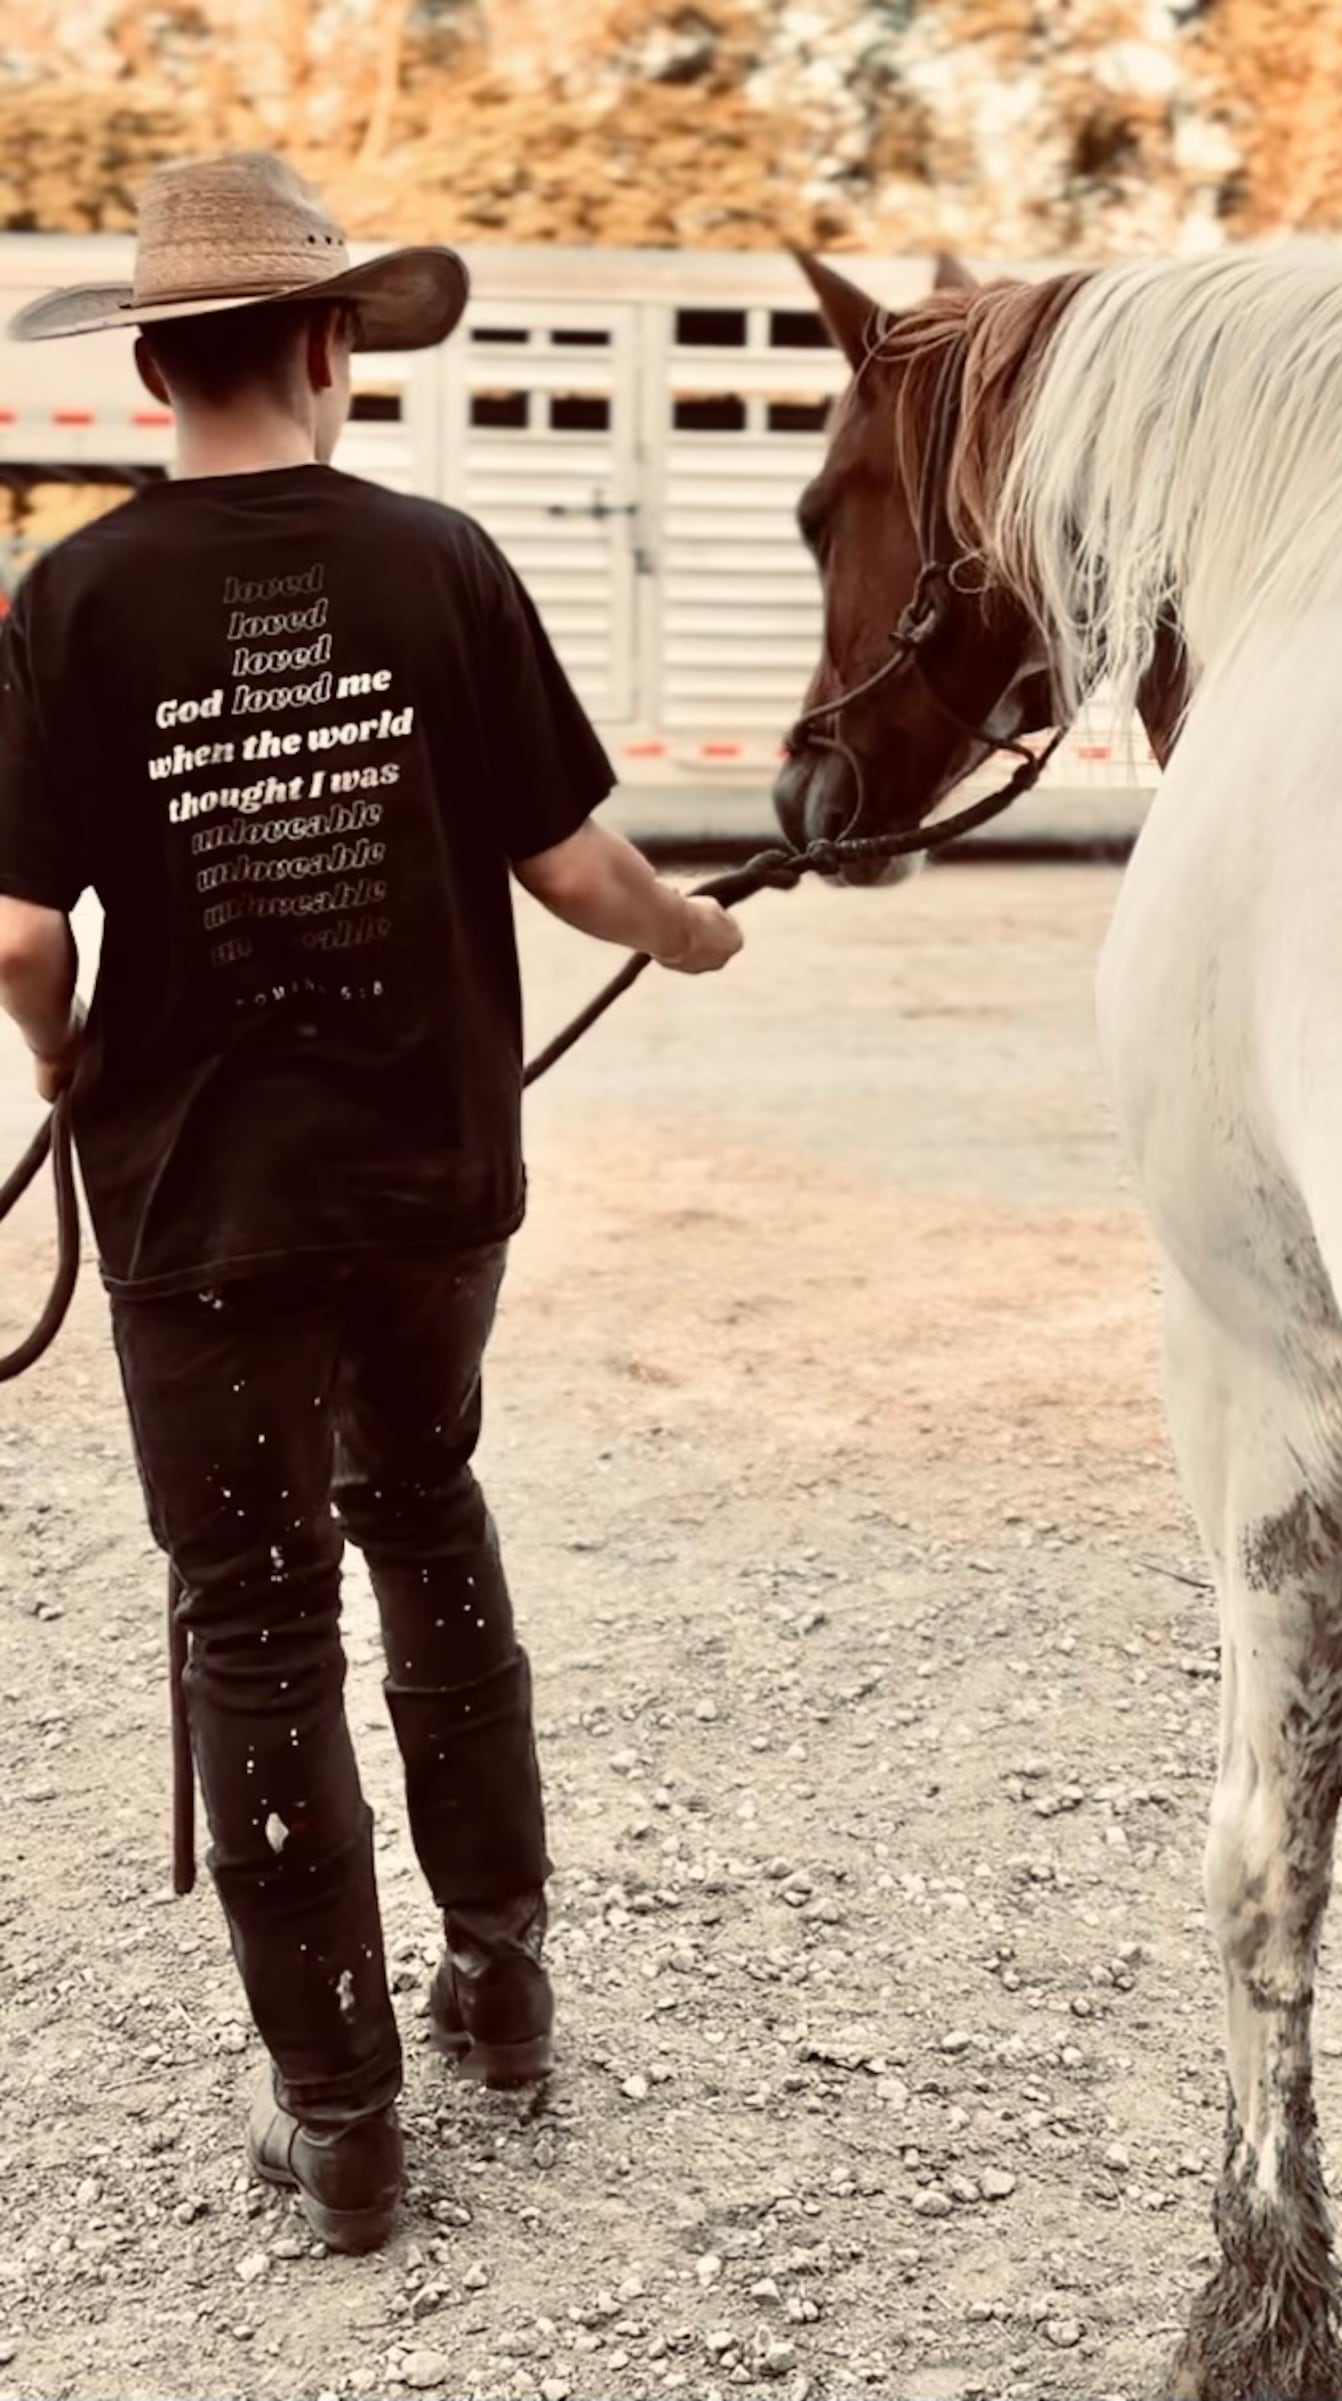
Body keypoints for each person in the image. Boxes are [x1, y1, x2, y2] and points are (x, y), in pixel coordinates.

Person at [0, 153, 742, 2254]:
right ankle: (499, 1980)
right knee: (423, 1514)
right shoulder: (442, 559)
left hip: (201, 1203)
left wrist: (69, 1074)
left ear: (153, 367)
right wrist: (689, 933)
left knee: (249, 1618)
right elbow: (578, 869)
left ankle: (340, 2115)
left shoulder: (71, 600)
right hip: (431, 1184)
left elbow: (20, 937)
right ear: (330, 349)